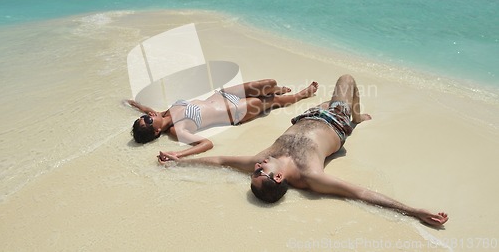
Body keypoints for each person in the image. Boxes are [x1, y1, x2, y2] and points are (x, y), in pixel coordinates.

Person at [158, 74, 448, 227]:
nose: (257, 167)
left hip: (307, 116)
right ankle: (356, 116)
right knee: (346, 80)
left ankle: (337, 108)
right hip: (335, 121)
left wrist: (177, 162)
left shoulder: (264, 160)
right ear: (279, 178)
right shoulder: (310, 176)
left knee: (317, 99)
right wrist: (413, 211)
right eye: (261, 173)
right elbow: (361, 193)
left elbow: (220, 160)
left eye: (255, 172)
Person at [128, 79, 319, 159]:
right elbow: (206, 143)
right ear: (156, 132)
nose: (149, 116)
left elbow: (148, 111)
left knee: (269, 83)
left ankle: (274, 89)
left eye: (146, 116)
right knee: (270, 100)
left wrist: (134, 105)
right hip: (234, 112)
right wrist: (178, 155)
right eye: (149, 120)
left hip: (223, 95)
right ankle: (302, 95)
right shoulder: (177, 130)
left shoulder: (163, 113)